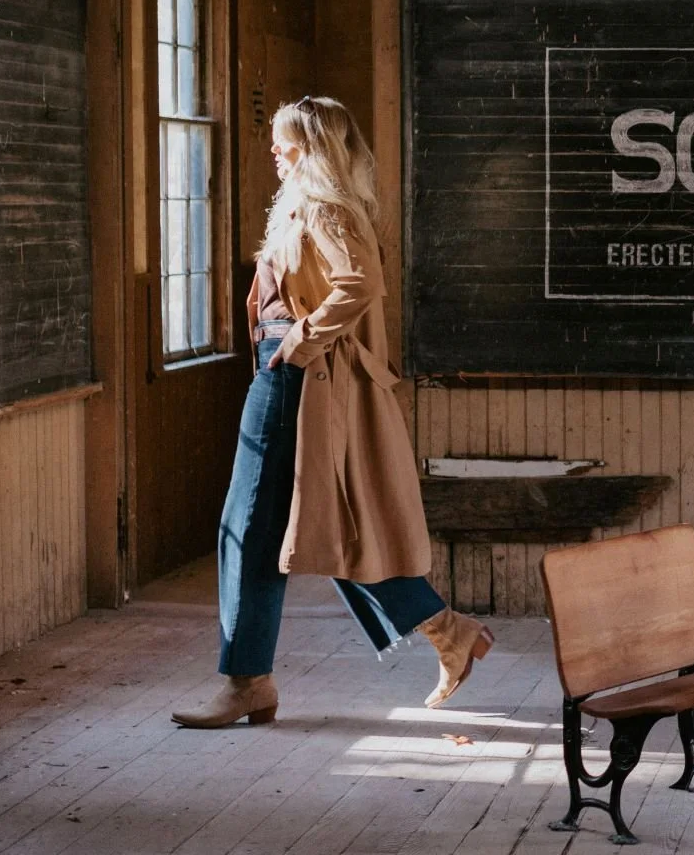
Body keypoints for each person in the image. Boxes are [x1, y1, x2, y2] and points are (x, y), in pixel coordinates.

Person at [173, 95, 492, 727]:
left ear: (313, 147)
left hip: (296, 377)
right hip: (288, 373)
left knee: (252, 528)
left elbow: (360, 283)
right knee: (310, 529)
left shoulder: (322, 207)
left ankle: (247, 682)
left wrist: (298, 341)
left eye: (284, 140)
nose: (274, 149)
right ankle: (445, 630)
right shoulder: (300, 203)